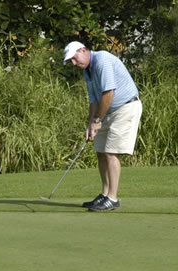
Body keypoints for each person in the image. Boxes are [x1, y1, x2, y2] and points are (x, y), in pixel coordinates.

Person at [63, 41, 142, 212]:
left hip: (125, 107)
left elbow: (109, 93)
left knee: (110, 152)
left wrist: (98, 121)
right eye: (71, 62)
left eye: (74, 58)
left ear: (83, 50)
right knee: (100, 151)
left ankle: (112, 198)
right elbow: (94, 100)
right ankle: (105, 194)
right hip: (107, 111)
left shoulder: (102, 59)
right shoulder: (87, 71)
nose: (74, 64)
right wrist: (90, 124)